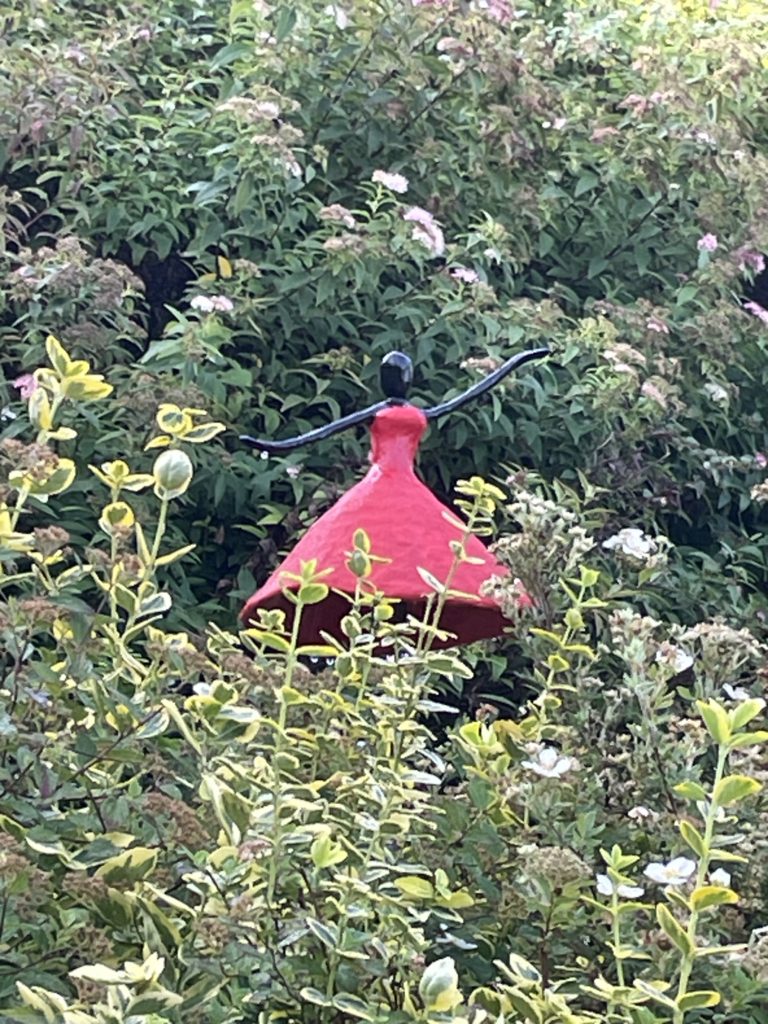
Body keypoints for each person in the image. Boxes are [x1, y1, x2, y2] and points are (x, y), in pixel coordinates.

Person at [240, 347, 548, 648]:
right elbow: (323, 432)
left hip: (407, 485)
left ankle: (401, 621)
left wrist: (518, 361)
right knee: (358, 555)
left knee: (425, 559)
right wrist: (268, 445)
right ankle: (374, 617)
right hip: (380, 484)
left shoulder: (417, 412)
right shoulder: (378, 411)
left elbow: (469, 394)